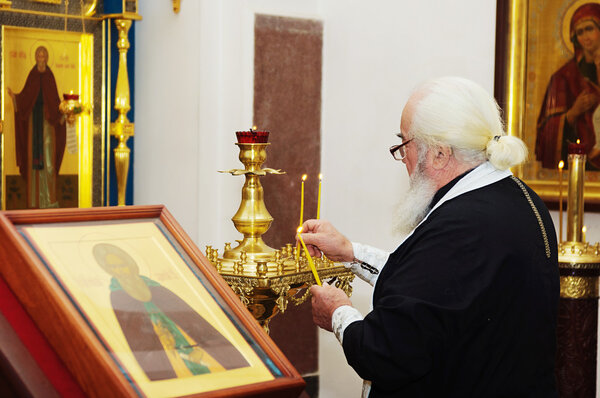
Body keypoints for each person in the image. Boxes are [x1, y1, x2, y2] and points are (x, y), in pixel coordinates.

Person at [300, 77, 559, 397]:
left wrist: (338, 312)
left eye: (404, 144)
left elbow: (385, 354)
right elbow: (434, 290)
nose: (403, 159)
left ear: (439, 154)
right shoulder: (513, 197)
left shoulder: (462, 227)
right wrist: (351, 253)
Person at [92, 243, 249, 381]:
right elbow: (133, 334)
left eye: (121, 265)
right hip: (159, 350)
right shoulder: (117, 295)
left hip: (188, 338)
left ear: (129, 263)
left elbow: (189, 317)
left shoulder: (154, 286)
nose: (119, 270)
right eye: (113, 267)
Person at [536, 2, 600, 169]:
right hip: (583, 164)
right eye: (580, 32)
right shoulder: (563, 77)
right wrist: (573, 112)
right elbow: (545, 133)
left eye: (590, 29)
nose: (585, 36)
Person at [7, 45, 66, 208]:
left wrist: (64, 108)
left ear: (46, 58)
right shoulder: (32, 75)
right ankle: (34, 201)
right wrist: (15, 98)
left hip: (48, 124)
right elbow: (25, 97)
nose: (41, 58)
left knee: (48, 161)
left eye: (43, 55)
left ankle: (50, 200)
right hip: (33, 125)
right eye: (38, 55)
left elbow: (54, 101)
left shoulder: (49, 76)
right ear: (36, 58)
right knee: (33, 161)